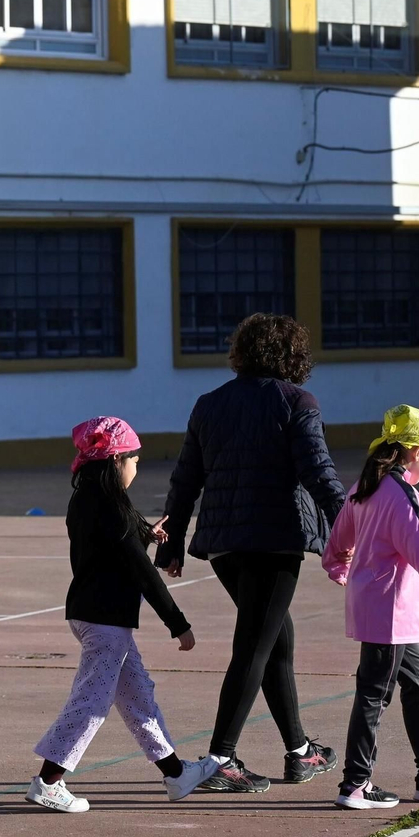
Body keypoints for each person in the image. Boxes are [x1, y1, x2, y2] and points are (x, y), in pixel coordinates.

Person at [155, 313, 346, 793]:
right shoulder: (296, 401)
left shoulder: (209, 404)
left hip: (223, 544)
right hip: (274, 539)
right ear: (293, 356)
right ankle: (220, 758)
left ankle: (300, 751)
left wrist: (174, 539)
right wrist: (355, 524)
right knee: (255, 646)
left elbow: (185, 481)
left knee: (276, 639)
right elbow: (318, 472)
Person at [26, 418, 220, 814]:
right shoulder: (113, 508)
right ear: (116, 461)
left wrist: (145, 535)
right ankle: (48, 781)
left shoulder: (88, 501)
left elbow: (111, 548)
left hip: (88, 613)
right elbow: (141, 572)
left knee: (136, 696)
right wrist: (177, 622)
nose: (136, 467)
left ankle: (175, 773)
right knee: (92, 702)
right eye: (134, 459)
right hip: (105, 621)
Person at [324, 405, 419, 809]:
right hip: (388, 611)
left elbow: (340, 533)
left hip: (385, 610)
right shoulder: (401, 494)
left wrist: (337, 563)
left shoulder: (369, 485)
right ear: (413, 450)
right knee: (374, 694)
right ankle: (355, 783)